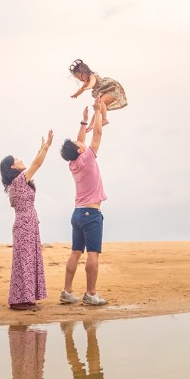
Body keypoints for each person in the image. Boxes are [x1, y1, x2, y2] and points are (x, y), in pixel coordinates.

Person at [59, 106, 108, 306]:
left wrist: (83, 121)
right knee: (92, 253)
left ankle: (67, 292)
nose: (81, 142)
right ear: (80, 150)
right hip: (91, 213)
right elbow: (97, 134)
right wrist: (97, 112)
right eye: (79, 143)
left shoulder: (73, 163)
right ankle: (91, 293)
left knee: (75, 252)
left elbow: (81, 142)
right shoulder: (87, 158)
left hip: (77, 213)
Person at [0, 129, 54, 310]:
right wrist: (46, 147)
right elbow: (36, 164)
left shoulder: (18, 182)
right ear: (12, 167)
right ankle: (18, 300)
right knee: (24, 261)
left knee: (28, 260)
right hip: (25, 224)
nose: (21, 160)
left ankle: (26, 297)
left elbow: (34, 163)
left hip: (28, 224)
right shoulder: (19, 181)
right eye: (17, 160)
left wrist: (41, 148)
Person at [69, 59, 127, 128]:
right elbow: (81, 89)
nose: (80, 79)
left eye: (80, 77)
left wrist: (90, 86)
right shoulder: (85, 83)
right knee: (98, 107)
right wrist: (76, 94)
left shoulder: (91, 76)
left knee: (100, 101)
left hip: (112, 89)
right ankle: (92, 125)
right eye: (78, 78)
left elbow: (93, 81)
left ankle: (104, 119)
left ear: (84, 72)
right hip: (106, 92)